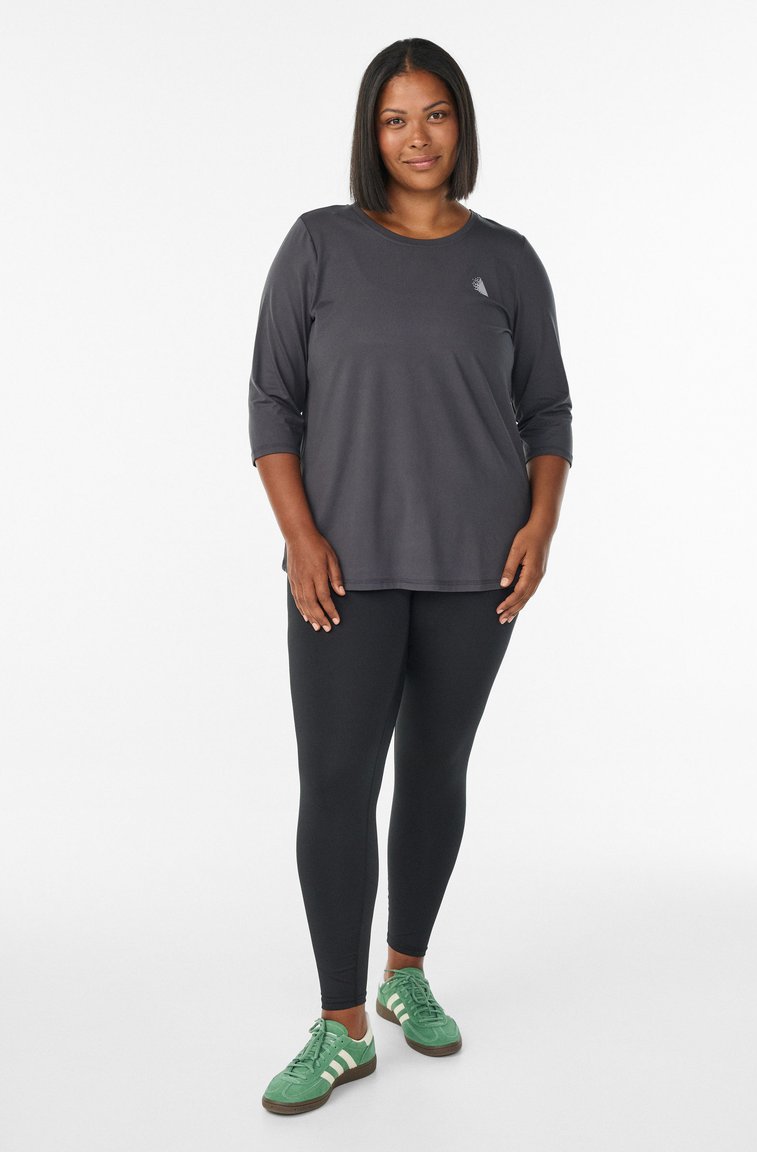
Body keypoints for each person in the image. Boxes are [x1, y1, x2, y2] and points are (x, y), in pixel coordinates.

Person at [248, 37, 573, 1116]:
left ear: (460, 124)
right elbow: (272, 402)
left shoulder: (508, 260)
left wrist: (540, 524)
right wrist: (300, 536)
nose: (417, 137)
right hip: (343, 568)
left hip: (476, 567)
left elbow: (546, 410)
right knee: (337, 783)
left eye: (435, 114)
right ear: (370, 133)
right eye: (395, 119)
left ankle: (406, 973)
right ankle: (341, 1024)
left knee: (435, 769)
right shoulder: (319, 245)